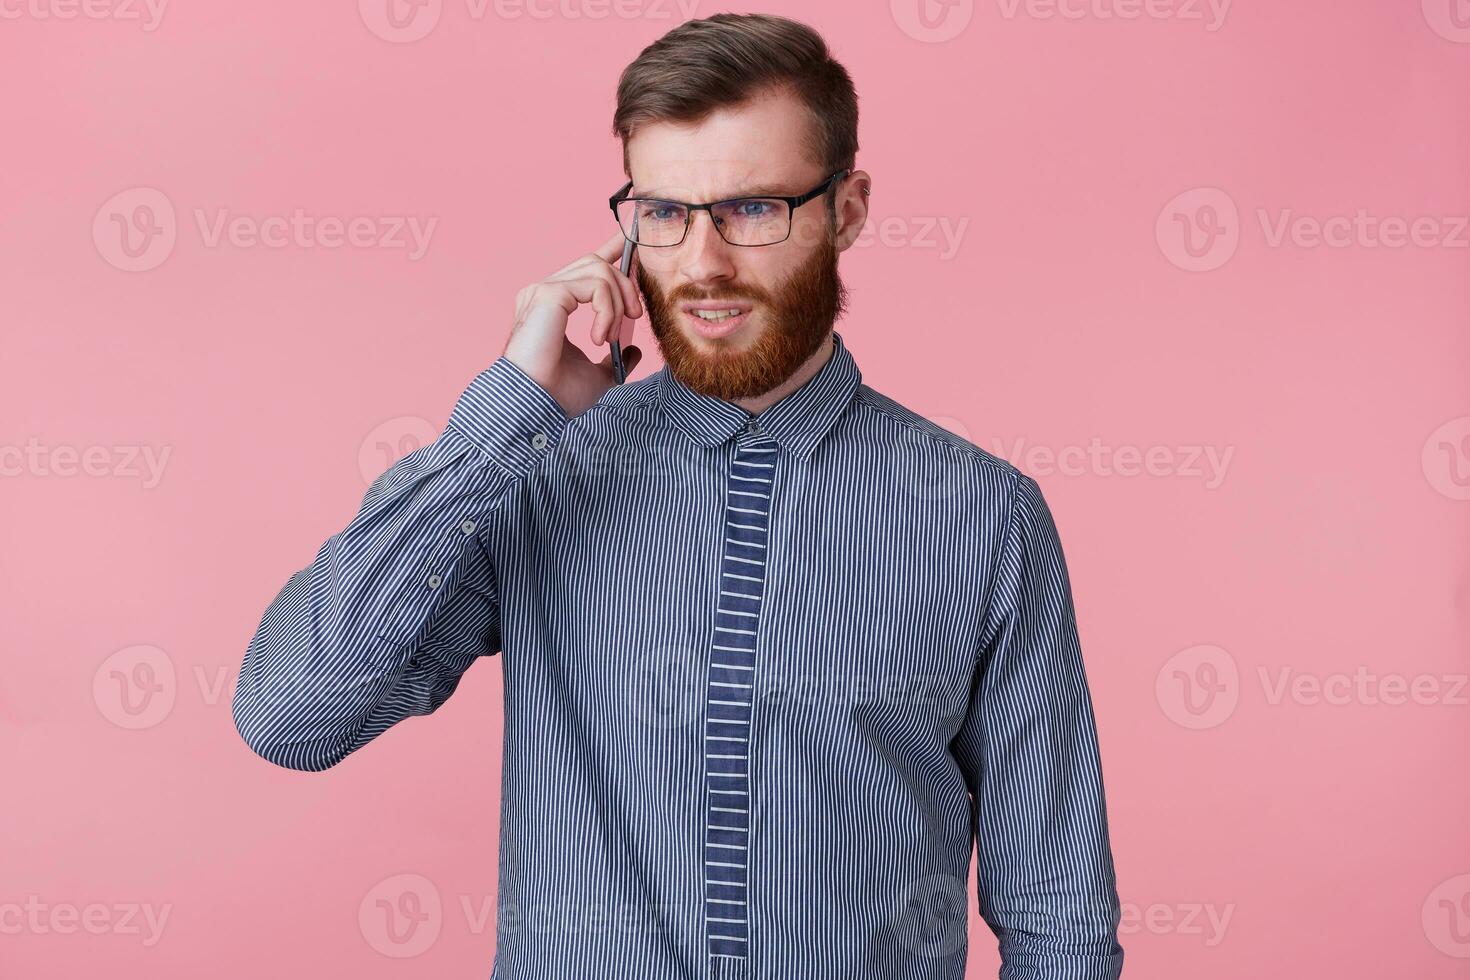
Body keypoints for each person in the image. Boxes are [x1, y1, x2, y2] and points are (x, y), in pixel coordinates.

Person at [232, 12, 1124, 979]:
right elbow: (291, 714)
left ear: (849, 210)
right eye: (664, 213)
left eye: (751, 209)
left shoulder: (984, 516)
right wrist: (506, 420)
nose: (701, 264)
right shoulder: (533, 474)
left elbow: (1057, 919)